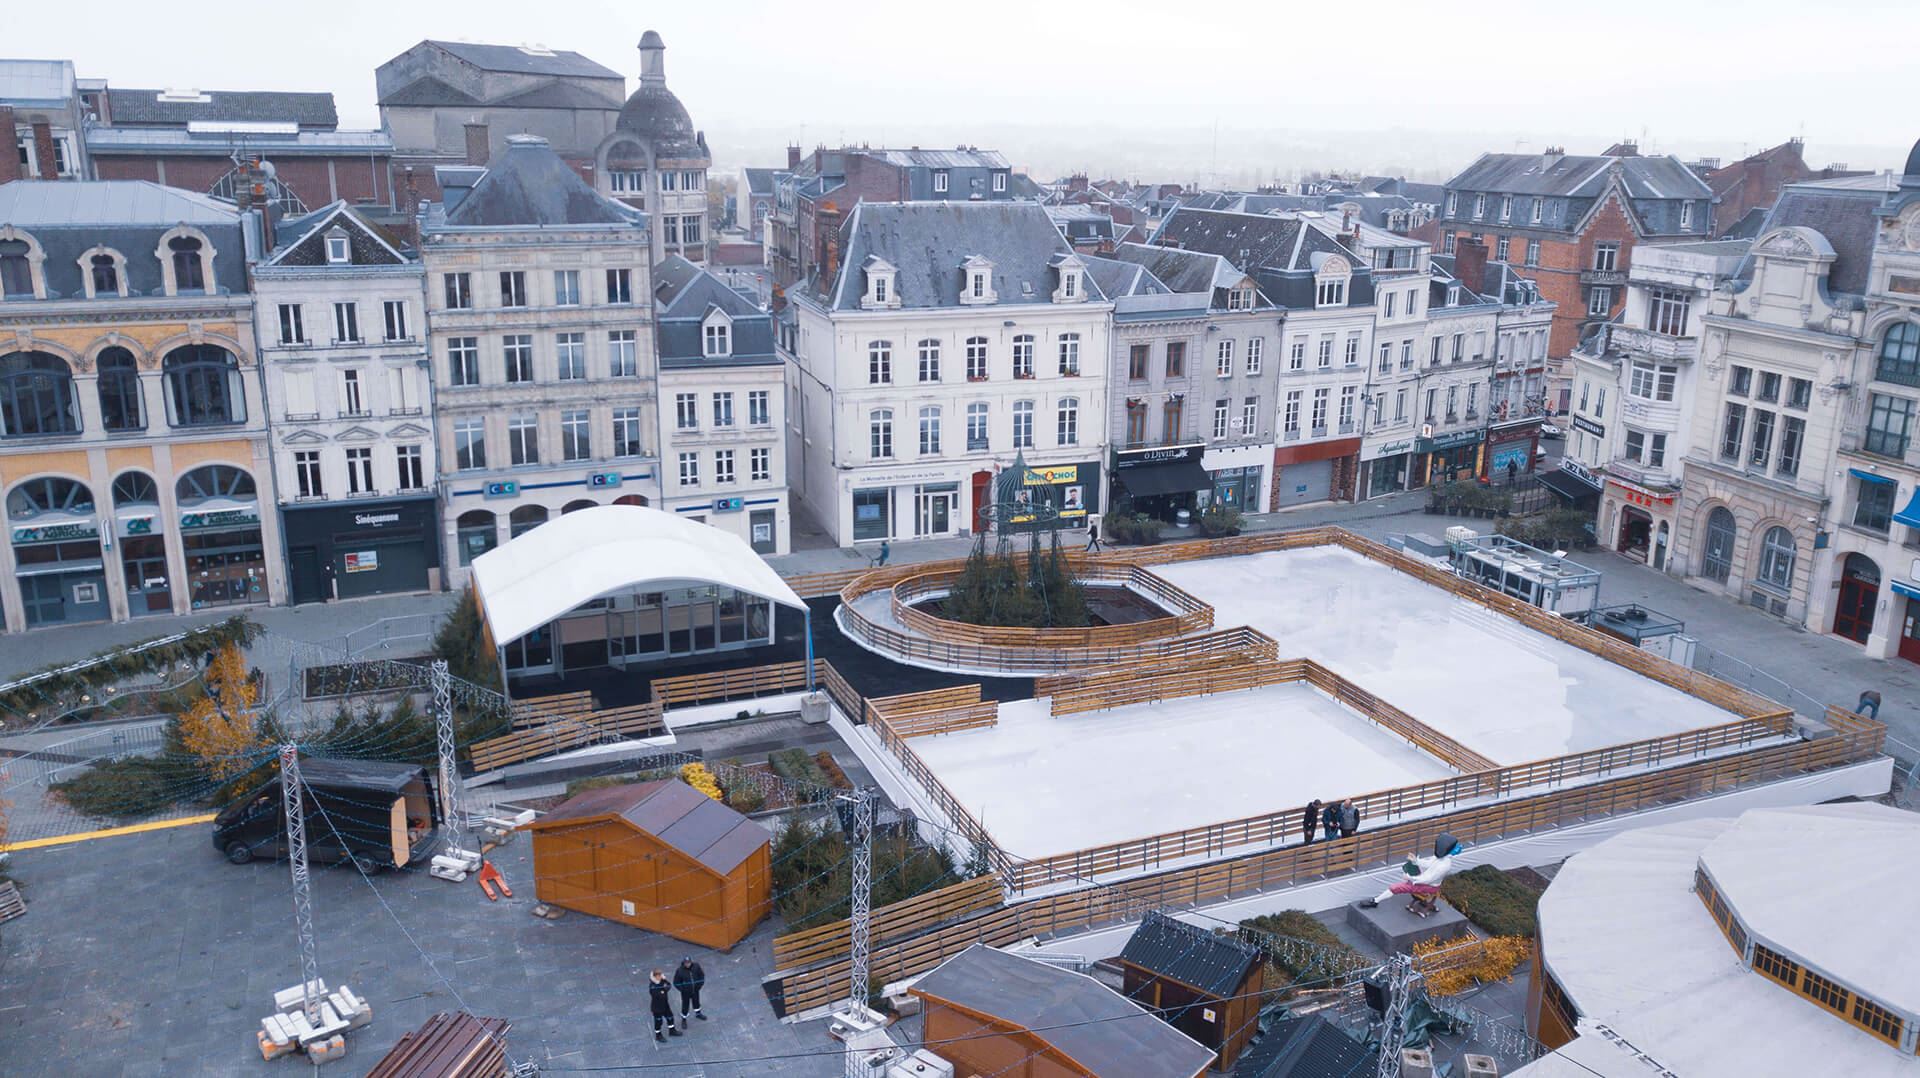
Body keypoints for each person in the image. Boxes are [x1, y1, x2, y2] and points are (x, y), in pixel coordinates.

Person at [673, 957, 707, 1027]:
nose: (687, 964)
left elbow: (701, 975)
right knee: (685, 1005)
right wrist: (683, 989)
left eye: (689, 962)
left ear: (691, 962)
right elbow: (676, 982)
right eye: (686, 963)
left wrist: (699, 985)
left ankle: (698, 1014)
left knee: (696, 1002)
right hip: (685, 993)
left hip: (695, 990)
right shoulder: (679, 971)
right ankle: (684, 1019)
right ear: (684, 963)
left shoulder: (696, 966)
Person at [649, 969, 678, 1041]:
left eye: (660, 975)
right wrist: (663, 989)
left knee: (670, 1017)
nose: (660, 977)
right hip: (657, 1007)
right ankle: (658, 1035)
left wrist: (664, 981)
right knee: (658, 1021)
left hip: (665, 1004)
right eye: (658, 975)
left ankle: (672, 1030)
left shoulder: (662, 981)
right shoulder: (652, 986)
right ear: (655, 976)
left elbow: (668, 985)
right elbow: (658, 995)